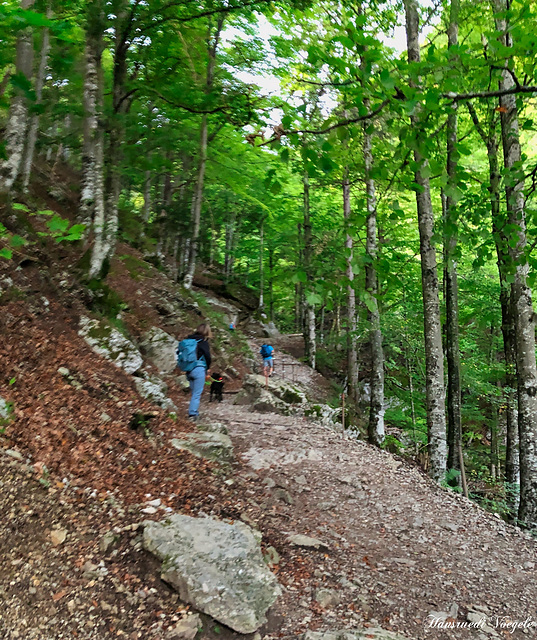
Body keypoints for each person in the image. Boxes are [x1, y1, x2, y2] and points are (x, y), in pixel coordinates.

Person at [185, 323, 212, 420]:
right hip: (199, 369)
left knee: (193, 393)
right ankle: (193, 414)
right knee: (197, 393)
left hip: (189, 369)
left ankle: (192, 409)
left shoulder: (189, 340)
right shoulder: (203, 342)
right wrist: (208, 368)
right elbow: (207, 356)